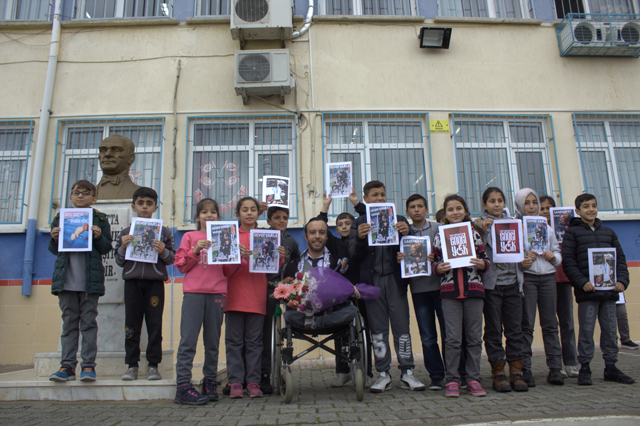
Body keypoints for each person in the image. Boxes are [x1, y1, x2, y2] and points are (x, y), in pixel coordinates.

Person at [349, 180, 425, 393]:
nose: (380, 199)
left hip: (395, 281)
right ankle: (383, 374)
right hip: (372, 283)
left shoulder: (399, 219)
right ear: (365, 199)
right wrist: (362, 238)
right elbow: (354, 255)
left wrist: (406, 233)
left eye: (382, 194)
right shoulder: (359, 223)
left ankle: (407, 371)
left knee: (402, 328)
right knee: (379, 330)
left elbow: (413, 252)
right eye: (375, 195)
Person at [173, 198, 247, 405]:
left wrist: (235, 255)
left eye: (213, 212)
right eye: (204, 212)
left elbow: (228, 271)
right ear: (197, 217)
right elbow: (181, 266)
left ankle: (210, 382)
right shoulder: (189, 236)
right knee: (188, 341)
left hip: (217, 295)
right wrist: (195, 250)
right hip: (194, 294)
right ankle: (183, 386)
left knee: (212, 343)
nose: (209, 215)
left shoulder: (225, 236)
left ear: (218, 216)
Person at [561, 193, 634, 385]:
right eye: (586, 206)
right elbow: (569, 262)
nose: (591, 209)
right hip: (588, 292)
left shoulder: (609, 233)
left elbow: (620, 260)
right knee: (586, 330)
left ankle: (611, 367)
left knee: (611, 330)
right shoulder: (572, 233)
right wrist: (581, 282)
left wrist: (622, 282)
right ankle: (584, 367)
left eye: (594, 205)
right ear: (577, 211)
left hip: (609, 292)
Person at [397, 194, 465, 391]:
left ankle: (457, 373)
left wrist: (437, 256)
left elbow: (453, 251)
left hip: (443, 288)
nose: (416, 209)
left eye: (420, 206)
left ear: (427, 209)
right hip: (419, 290)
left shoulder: (438, 228)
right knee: (427, 336)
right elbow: (395, 256)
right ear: (407, 212)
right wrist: (399, 256)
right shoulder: (403, 232)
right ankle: (436, 375)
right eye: (412, 207)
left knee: (449, 334)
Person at [48, 180, 113, 382]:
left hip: (89, 282)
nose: (80, 196)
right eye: (76, 192)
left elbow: (106, 248)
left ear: (94, 198)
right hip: (66, 281)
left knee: (88, 323)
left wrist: (99, 236)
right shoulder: (61, 218)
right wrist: (53, 237)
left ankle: (88, 366)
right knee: (68, 324)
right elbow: (54, 249)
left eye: (86, 193)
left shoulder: (100, 219)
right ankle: (67, 366)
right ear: (70, 197)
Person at [225, 197, 285, 399]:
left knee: (254, 342)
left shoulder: (266, 236)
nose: (249, 213)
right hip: (234, 296)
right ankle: (235, 382)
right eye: (245, 209)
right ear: (237, 214)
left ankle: (253, 381)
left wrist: (280, 255)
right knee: (234, 342)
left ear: (258, 214)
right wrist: (238, 256)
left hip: (258, 297)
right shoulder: (231, 236)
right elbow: (224, 268)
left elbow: (273, 266)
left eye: (252, 209)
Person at [114, 187, 175, 381]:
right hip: (132, 284)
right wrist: (123, 247)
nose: (145, 207)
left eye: (149, 204)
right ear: (133, 207)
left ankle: (153, 365)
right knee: (131, 325)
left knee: (154, 324)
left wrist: (163, 251)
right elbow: (119, 261)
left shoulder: (163, 232)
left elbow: (171, 258)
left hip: (155, 284)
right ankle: (132, 365)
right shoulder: (126, 232)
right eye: (140, 203)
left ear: (155, 207)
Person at [432, 194, 489, 397]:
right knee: (453, 340)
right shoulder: (440, 236)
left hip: (474, 291)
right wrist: (438, 268)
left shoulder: (474, 234)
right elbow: (433, 263)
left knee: (474, 338)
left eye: (459, 208)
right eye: (450, 210)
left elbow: (485, 259)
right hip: (449, 294)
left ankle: (473, 379)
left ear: (465, 211)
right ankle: (453, 380)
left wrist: (483, 265)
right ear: (445, 214)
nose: (455, 212)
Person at [476, 187, 530, 393]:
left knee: (515, 330)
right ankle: (498, 372)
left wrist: (525, 260)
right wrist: (483, 230)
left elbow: (522, 250)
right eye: (492, 201)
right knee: (493, 331)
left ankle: (517, 372)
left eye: (500, 200)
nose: (496, 204)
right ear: (484, 204)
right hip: (492, 286)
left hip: (513, 284)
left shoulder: (515, 223)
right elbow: (475, 250)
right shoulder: (479, 225)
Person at [318, 189, 370, 387]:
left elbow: (370, 216)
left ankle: (366, 371)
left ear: (355, 225)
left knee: (364, 331)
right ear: (336, 230)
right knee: (340, 331)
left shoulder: (364, 240)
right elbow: (319, 225)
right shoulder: (334, 244)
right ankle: (343, 371)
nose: (344, 226)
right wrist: (325, 206)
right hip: (340, 294)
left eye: (348, 223)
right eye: (340, 225)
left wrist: (356, 204)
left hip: (362, 291)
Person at [514, 188, 564, 387]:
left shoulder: (547, 227)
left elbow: (556, 251)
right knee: (526, 325)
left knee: (551, 325)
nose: (532, 207)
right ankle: (525, 369)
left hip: (548, 278)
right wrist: (523, 261)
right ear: (519, 206)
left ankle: (555, 369)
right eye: (527, 203)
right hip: (528, 279)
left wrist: (554, 258)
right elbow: (512, 256)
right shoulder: (516, 227)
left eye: (534, 202)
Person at [259, 205, 301, 394]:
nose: (281, 221)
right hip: (264, 289)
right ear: (268, 221)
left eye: (285, 217)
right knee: (264, 333)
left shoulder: (291, 241)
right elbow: (240, 232)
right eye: (277, 217)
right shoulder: (259, 235)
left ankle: (283, 367)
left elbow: (297, 264)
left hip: (285, 291)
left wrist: (289, 272)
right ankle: (263, 374)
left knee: (284, 333)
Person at [539, 195, 580, 378]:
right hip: (540, 281)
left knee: (567, 323)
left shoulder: (566, 229)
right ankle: (555, 365)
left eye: (549, 208)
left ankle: (571, 362)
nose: (545, 212)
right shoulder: (532, 230)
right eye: (542, 208)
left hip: (562, 280)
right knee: (549, 324)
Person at [96, 134, 141, 200]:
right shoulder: (87, 194)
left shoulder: (140, 194)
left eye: (116, 150)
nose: (107, 154)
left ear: (131, 158)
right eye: (103, 150)